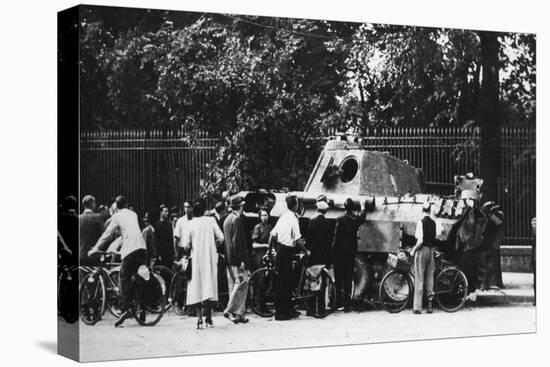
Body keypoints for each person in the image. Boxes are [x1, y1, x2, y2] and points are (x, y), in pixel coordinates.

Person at [89, 195, 149, 327]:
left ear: (116, 205)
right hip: (141, 248)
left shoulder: (117, 216)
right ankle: (141, 310)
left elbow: (107, 234)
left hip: (130, 251)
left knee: (124, 278)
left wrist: (95, 248)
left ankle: (125, 308)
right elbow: (129, 232)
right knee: (139, 279)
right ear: (126, 204)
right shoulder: (133, 214)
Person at [181, 198, 224, 329]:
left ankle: (199, 319)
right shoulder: (211, 221)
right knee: (209, 286)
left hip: (196, 260)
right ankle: (209, 318)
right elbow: (221, 238)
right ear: (205, 209)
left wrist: (191, 248)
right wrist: (213, 246)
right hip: (210, 259)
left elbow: (186, 245)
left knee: (197, 287)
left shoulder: (190, 224)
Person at [269, 195, 310, 321]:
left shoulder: (283, 217)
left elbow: (272, 235)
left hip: (281, 250)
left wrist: (270, 249)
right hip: (286, 251)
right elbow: (297, 239)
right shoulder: (293, 219)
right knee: (283, 282)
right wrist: (306, 250)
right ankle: (280, 313)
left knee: (287, 281)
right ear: (296, 206)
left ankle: (288, 309)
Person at [332, 198, 367, 313]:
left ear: (344, 207)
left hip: (340, 254)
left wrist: (334, 251)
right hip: (350, 253)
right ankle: (347, 305)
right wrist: (363, 206)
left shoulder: (340, 219)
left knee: (338, 279)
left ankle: (337, 303)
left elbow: (336, 239)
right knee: (348, 279)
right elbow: (362, 218)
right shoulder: (354, 220)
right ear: (352, 208)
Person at [410, 202, 443, 314]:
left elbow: (420, 241)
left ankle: (417, 307)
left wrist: (413, 250)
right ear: (429, 211)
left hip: (422, 250)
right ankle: (430, 306)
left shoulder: (421, 222)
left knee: (419, 277)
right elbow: (439, 233)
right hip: (431, 251)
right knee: (430, 278)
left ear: (422, 210)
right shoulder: (434, 223)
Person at [223, 197, 252, 324]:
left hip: (229, 258)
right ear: (240, 207)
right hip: (237, 258)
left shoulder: (227, 220)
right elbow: (238, 242)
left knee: (235, 285)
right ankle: (231, 310)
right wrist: (242, 260)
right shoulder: (236, 219)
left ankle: (238, 314)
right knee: (243, 284)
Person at [250, 208, 273, 313]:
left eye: (266, 215)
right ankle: (259, 306)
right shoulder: (257, 228)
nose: (264, 217)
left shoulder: (270, 227)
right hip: (259, 255)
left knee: (267, 280)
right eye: (262, 215)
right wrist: (265, 245)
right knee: (260, 280)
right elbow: (254, 244)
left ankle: (263, 305)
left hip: (268, 255)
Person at [79, 195, 106, 266]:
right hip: (94, 256)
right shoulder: (98, 217)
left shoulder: (79, 218)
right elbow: (104, 236)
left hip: (81, 255)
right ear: (93, 204)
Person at [306, 195, 333, 267]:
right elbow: (329, 241)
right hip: (323, 254)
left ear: (318, 209)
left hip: (313, 252)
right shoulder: (327, 223)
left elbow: (308, 238)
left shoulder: (312, 221)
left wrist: (307, 249)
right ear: (326, 211)